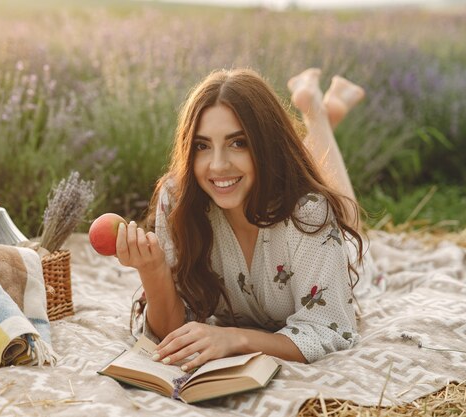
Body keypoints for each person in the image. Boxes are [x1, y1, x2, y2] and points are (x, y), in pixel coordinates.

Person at [116, 68, 380, 370]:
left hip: (331, 250)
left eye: (238, 142)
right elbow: (172, 332)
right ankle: (323, 114)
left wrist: (236, 339)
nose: (217, 164)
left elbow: (329, 330)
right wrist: (153, 271)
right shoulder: (178, 201)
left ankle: (317, 115)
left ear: (267, 144)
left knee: (344, 212)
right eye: (202, 146)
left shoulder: (308, 212)